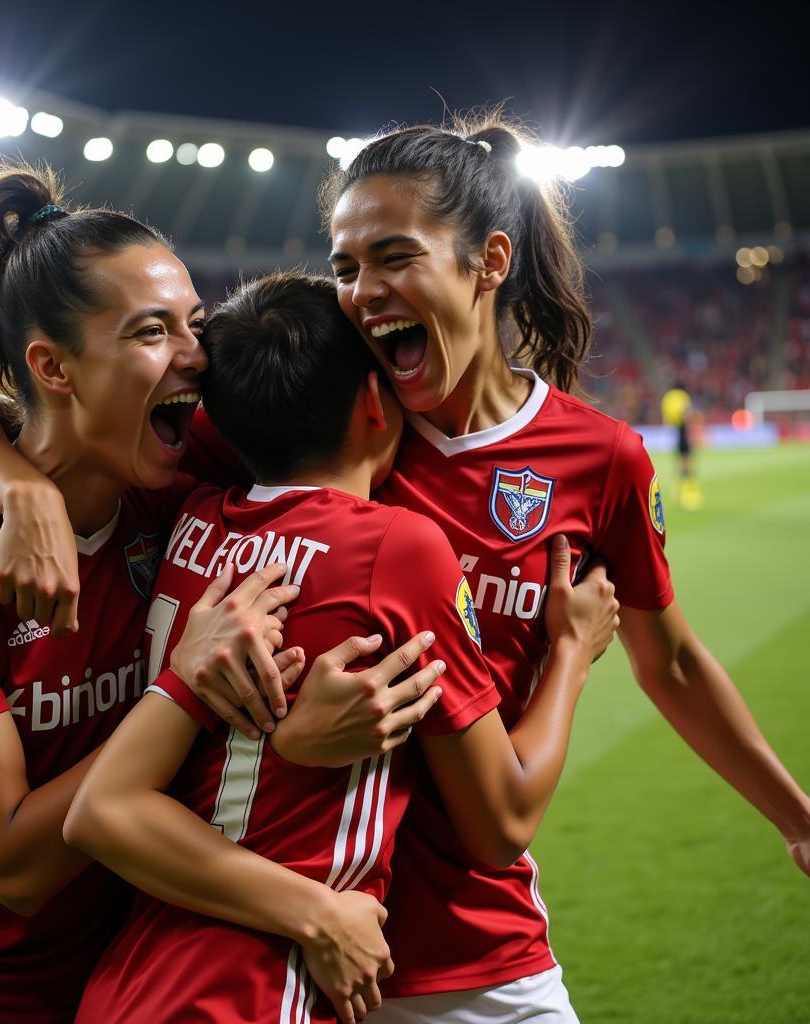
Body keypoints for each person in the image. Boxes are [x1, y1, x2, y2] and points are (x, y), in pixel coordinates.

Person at [315, 114, 810, 1022]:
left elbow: (675, 662)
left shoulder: (601, 458)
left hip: (478, 951)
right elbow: (25, 420)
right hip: (306, 945)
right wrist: (12, 488)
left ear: (490, 259)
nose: (361, 292)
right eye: (344, 267)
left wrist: (798, 819)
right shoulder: (319, 420)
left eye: (392, 256)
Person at [62, 271, 617, 1024]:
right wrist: (572, 656)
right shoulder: (397, 549)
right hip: (255, 986)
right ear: (370, 400)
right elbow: (502, 822)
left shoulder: (191, 517)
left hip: (133, 972)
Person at [0, 161, 328, 1024]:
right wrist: (178, 691)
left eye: (195, 322)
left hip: (128, 990)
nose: (196, 356)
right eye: (152, 332)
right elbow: (13, 865)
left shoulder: (175, 481)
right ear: (55, 368)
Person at [661, 380, 703, 510]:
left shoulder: (667, 397)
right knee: (687, 462)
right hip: (681, 430)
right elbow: (685, 413)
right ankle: (687, 494)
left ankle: (677, 490)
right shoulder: (682, 396)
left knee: (679, 461)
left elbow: (665, 415)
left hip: (670, 430)